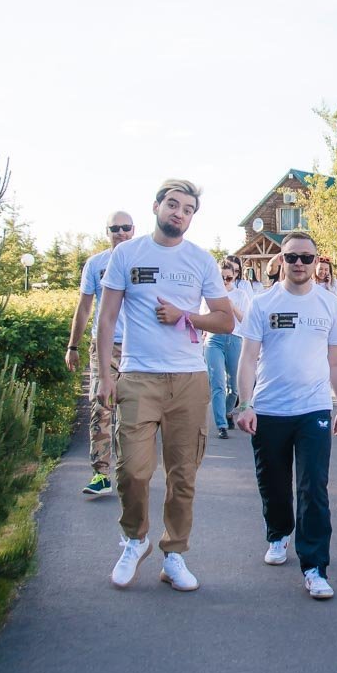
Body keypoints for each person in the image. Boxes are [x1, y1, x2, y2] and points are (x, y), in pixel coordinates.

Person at [96, 179, 236, 592]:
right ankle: (134, 540)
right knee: (132, 471)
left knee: (183, 474)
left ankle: (174, 554)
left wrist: (184, 316)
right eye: (173, 204)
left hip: (189, 379)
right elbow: (106, 318)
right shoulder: (127, 254)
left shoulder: (200, 260)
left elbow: (226, 320)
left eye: (188, 209)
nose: (179, 213)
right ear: (156, 206)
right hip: (138, 376)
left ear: (192, 217)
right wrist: (105, 375)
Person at [234, 231, 337, 601]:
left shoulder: (329, 304)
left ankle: (315, 567)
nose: (299, 263)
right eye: (291, 257)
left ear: (317, 262)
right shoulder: (262, 303)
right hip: (270, 408)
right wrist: (245, 403)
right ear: (280, 261)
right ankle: (278, 532)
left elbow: (336, 361)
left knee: (313, 487)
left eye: (306, 257)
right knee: (274, 482)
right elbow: (248, 358)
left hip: (313, 408)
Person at [64, 210, 134, 496]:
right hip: (103, 346)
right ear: (107, 232)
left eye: (126, 227)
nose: (120, 232)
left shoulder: (143, 259)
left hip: (136, 347)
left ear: (134, 230)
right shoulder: (95, 264)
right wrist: (73, 346)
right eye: (114, 228)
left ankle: (129, 474)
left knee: (132, 413)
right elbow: (84, 307)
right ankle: (100, 474)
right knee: (100, 407)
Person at [205, 256, 251, 439]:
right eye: (221, 278)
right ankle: (221, 424)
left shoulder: (240, 295)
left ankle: (227, 412)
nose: (224, 281)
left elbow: (245, 322)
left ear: (235, 276)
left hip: (234, 338)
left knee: (234, 387)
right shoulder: (209, 294)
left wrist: (231, 306)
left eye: (228, 278)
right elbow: (203, 317)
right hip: (214, 339)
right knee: (218, 384)